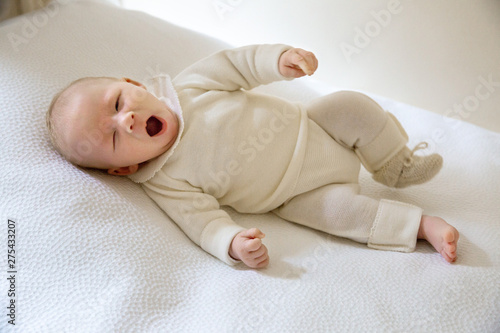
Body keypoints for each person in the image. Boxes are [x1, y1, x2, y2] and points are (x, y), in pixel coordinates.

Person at [46, 44, 459, 269]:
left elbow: (236, 65)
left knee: (351, 105)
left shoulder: (190, 88)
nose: (129, 119)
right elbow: (202, 224)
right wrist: (232, 243)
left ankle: (394, 164)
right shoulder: (164, 181)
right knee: (341, 217)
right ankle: (421, 227)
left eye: (118, 102)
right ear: (124, 168)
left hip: (315, 125)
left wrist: (278, 61)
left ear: (133, 83)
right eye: (115, 137)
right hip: (298, 195)